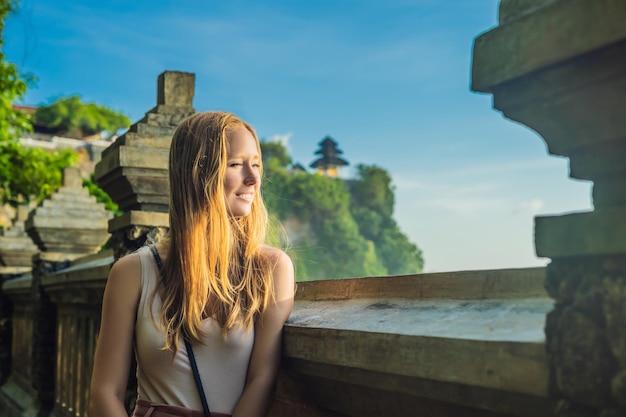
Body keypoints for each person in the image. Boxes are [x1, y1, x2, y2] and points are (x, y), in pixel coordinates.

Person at [89, 111, 295, 417]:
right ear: (197, 173)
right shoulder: (133, 272)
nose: (253, 179)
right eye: (236, 165)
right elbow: (105, 392)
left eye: (256, 165)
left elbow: (262, 380)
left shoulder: (270, 268)